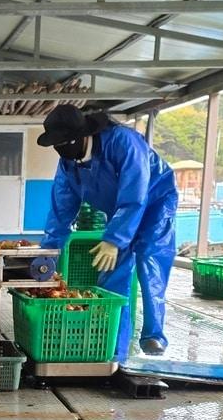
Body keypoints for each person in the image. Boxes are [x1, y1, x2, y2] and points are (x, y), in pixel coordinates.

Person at [38, 104, 178, 357]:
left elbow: (136, 193)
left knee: (149, 258)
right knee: (112, 274)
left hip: (156, 201)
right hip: (120, 211)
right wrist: (47, 256)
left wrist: (114, 239)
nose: (60, 149)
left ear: (80, 136)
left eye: (63, 142)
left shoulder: (123, 142)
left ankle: (154, 336)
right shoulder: (69, 163)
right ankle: (114, 348)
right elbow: (60, 210)